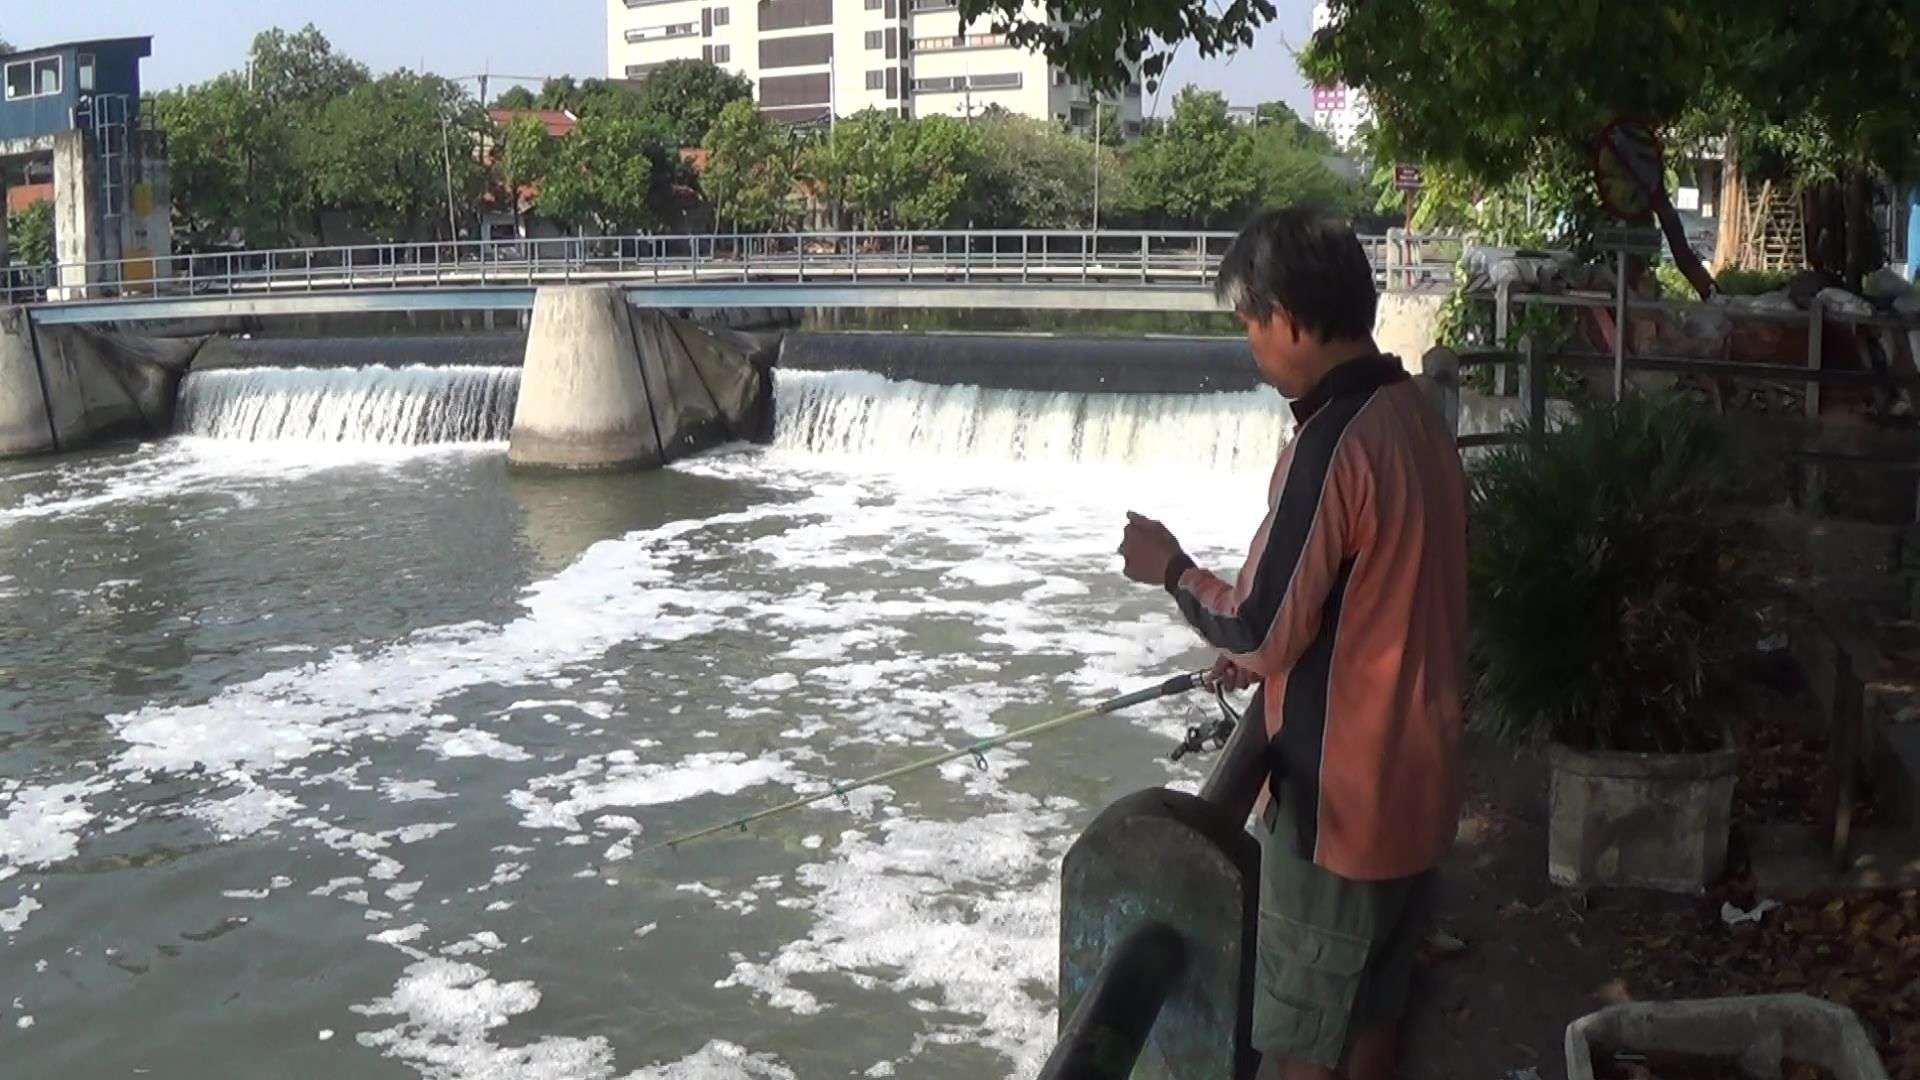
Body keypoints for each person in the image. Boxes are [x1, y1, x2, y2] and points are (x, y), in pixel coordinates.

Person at [1116, 207, 1467, 1080]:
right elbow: (1372, 597)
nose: (1251, 345)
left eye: (1250, 324)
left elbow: (1261, 626)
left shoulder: (1333, 441)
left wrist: (1171, 569)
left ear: (1291, 321)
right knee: (1373, 1027)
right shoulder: (1412, 415)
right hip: (1417, 789)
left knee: (1301, 1051)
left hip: (1339, 816)